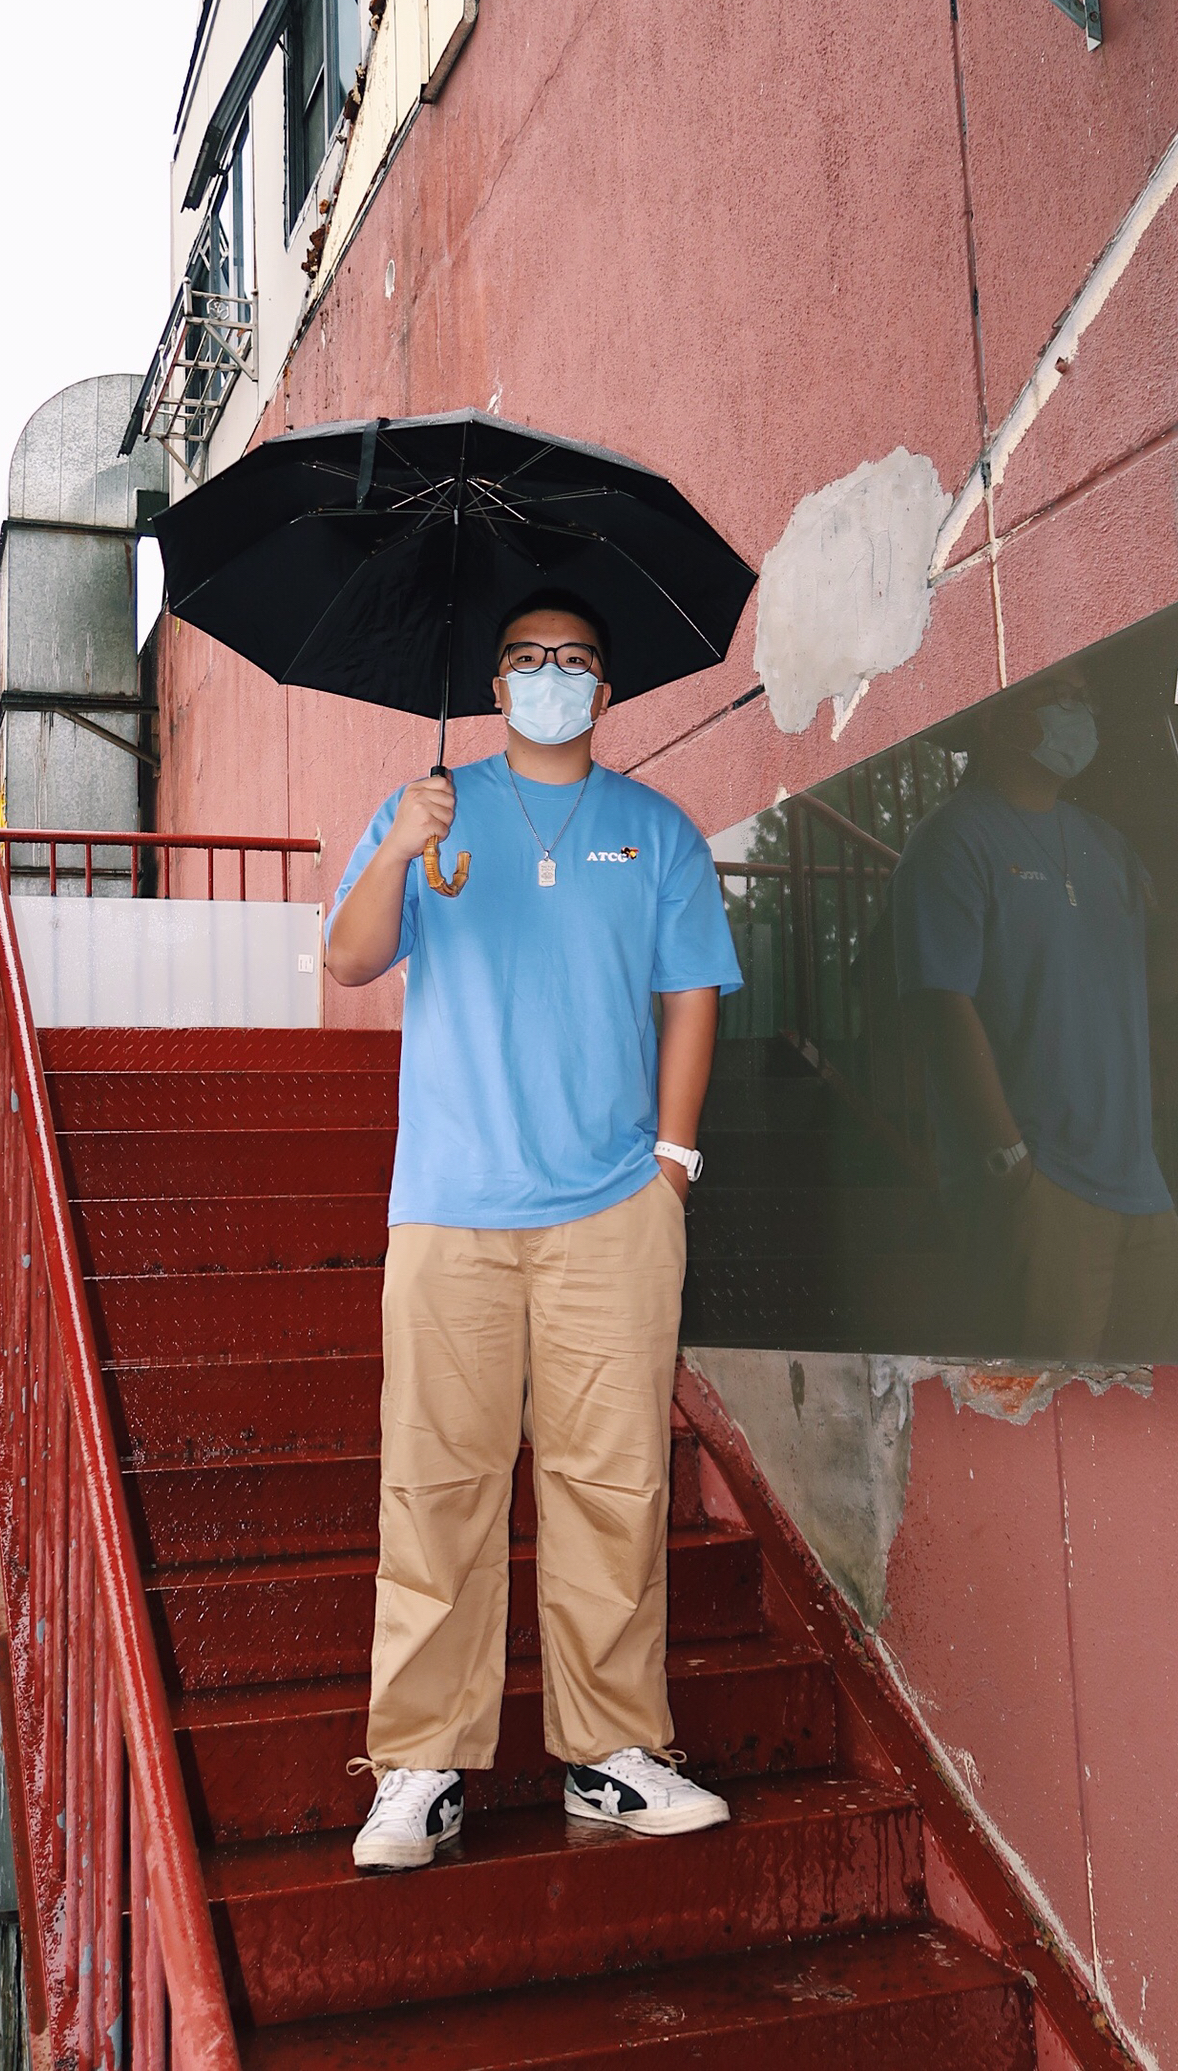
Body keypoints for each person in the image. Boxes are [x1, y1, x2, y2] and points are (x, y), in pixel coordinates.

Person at [325, 592, 743, 1871]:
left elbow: (690, 996)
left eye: (574, 660)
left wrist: (670, 1164)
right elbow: (348, 962)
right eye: (525, 658)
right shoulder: (429, 811)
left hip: (611, 1207)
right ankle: (421, 1765)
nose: (550, 675)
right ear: (493, 686)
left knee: (612, 1482)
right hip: (448, 1206)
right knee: (435, 1482)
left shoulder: (654, 832)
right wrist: (396, 850)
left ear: (602, 692)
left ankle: (609, 1751)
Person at [890, 661, 1178, 1363]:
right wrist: (1011, 1161)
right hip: (1041, 1187)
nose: (1077, 712)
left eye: (1084, 698)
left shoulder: (1108, 846)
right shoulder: (951, 842)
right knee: (1051, 1411)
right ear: (994, 716)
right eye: (1057, 695)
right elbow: (942, 1007)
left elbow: (1153, 984)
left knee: (1164, 1409)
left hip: (1143, 1190)